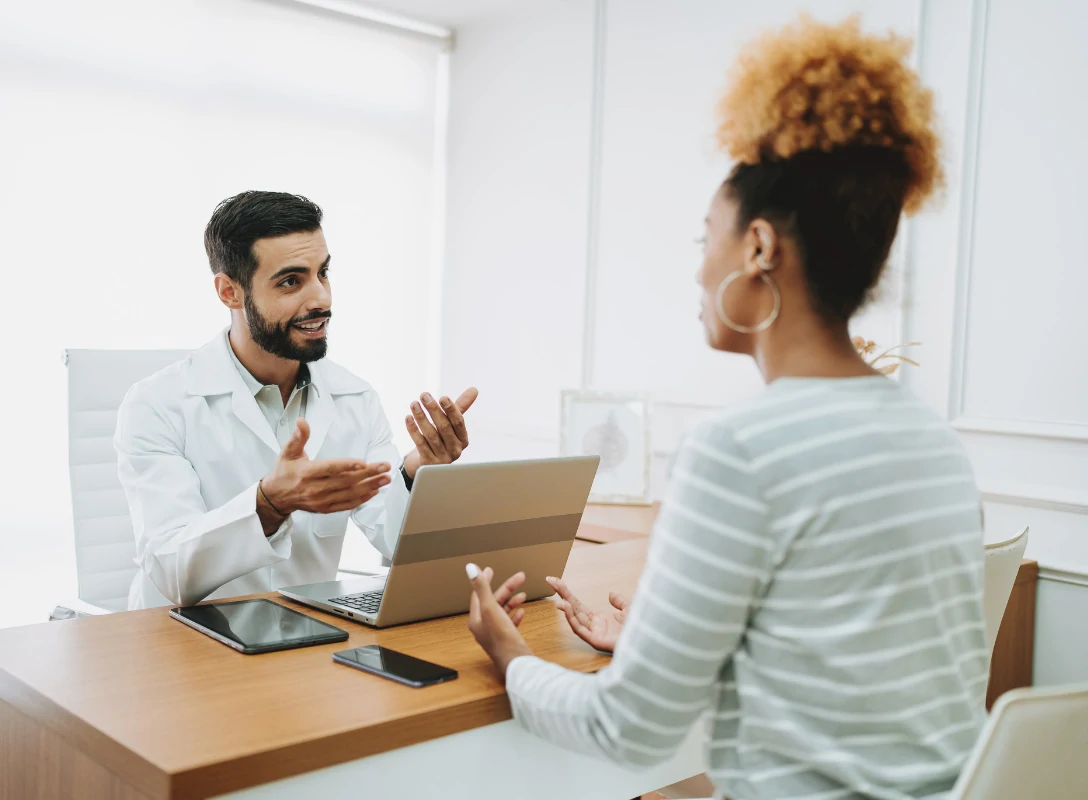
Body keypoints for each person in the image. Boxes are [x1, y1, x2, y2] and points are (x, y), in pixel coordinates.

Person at [467, 16, 986, 800]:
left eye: (705, 237)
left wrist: (512, 658)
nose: (698, 267)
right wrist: (652, 642)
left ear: (758, 249)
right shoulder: (931, 441)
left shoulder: (741, 451)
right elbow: (842, 664)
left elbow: (627, 730)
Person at [116, 191, 477, 609]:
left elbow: (395, 541)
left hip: (304, 638)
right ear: (229, 292)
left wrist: (418, 470)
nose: (321, 298)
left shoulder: (354, 398)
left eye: (322, 273)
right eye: (291, 281)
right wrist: (269, 504)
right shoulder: (156, 404)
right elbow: (169, 572)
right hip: (184, 646)